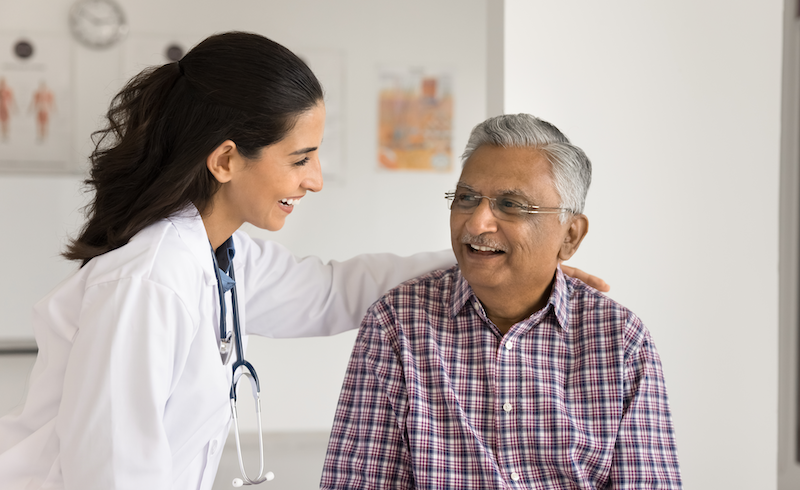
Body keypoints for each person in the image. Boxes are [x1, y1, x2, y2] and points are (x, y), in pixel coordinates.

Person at [0, 32, 604, 489]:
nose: (314, 180)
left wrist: (490, 263)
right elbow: (111, 473)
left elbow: (333, 292)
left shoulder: (219, 256)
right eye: (300, 158)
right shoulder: (150, 284)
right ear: (227, 160)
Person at [321, 114, 681, 489]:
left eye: (510, 205)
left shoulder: (620, 339)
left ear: (570, 236)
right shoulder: (396, 324)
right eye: (466, 199)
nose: (476, 224)